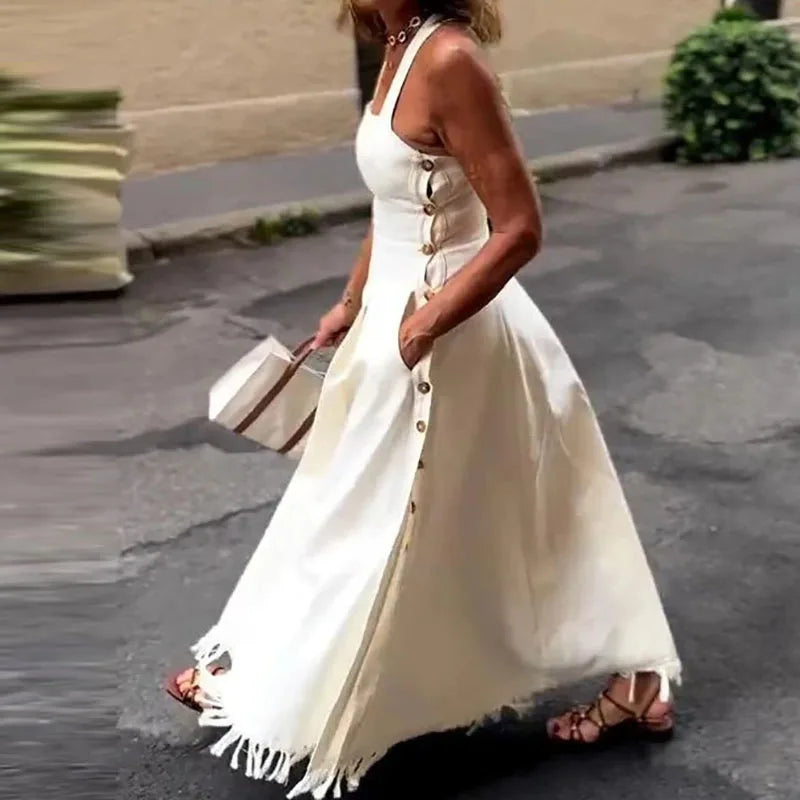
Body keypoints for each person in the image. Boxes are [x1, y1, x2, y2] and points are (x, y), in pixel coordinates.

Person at [165, 2, 681, 796]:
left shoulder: (448, 60)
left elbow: (518, 226)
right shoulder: (399, 47)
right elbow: (398, 200)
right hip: (395, 325)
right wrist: (353, 300)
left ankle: (284, 681)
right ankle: (634, 681)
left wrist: (423, 326)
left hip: (454, 336)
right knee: (480, 514)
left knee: (392, 514)